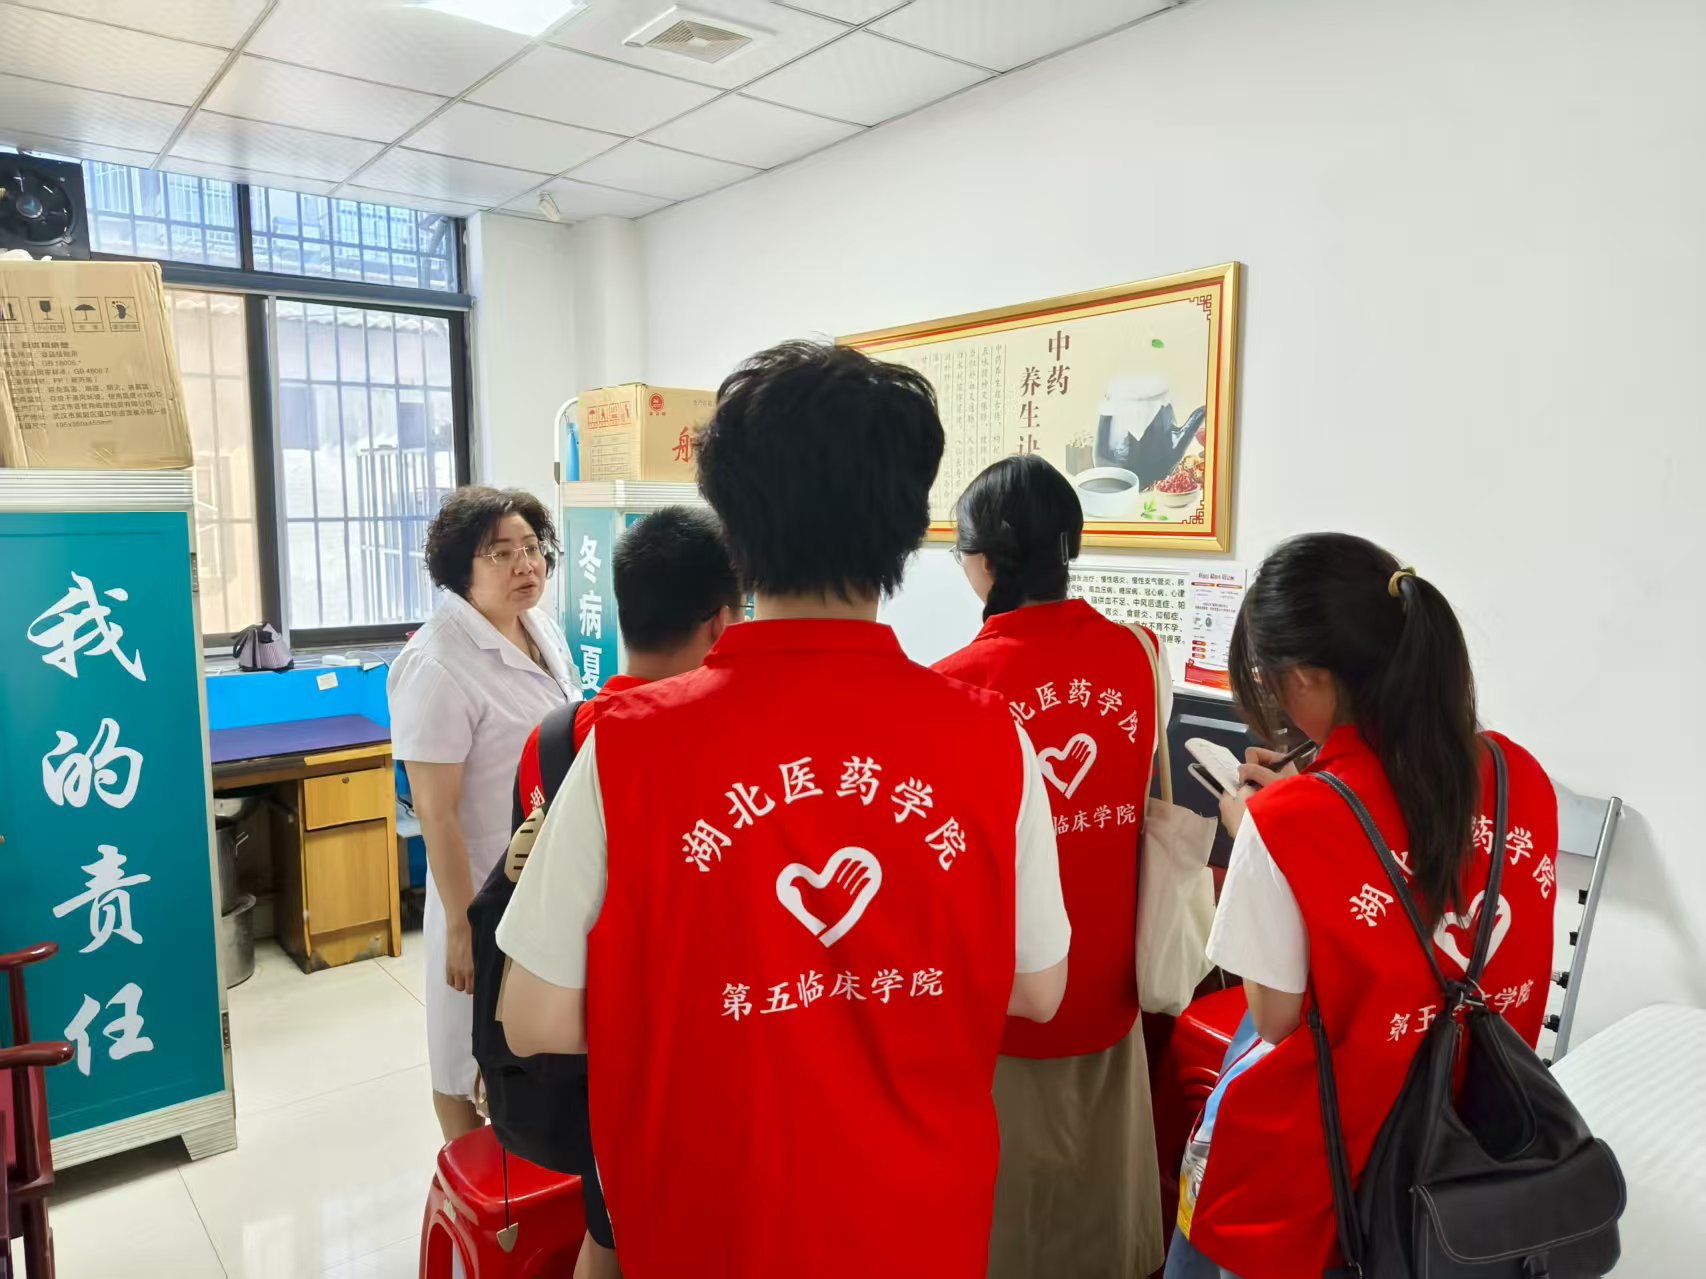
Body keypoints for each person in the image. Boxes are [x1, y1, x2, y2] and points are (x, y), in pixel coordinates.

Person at [496, 341, 1071, 1279]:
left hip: (709, 1220)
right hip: (918, 1222)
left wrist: (717, 1003)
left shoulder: (630, 743)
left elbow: (533, 1017)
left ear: (734, 527)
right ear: (907, 527)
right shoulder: (991, 737)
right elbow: (1037, 989)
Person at [1164, 534, 1559, 1279]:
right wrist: (1304, 808)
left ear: (1308, 676)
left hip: (1334, 1173)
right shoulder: (1519, 775)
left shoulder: (1284, 826)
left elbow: (1276, 1020)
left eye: (1269, 680)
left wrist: (1259, 836)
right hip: (1479, 1138)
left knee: (1204, 1207)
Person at [933, 453, 1168, 1279]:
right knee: (1103, 1211)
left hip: (1008, 996)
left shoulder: (953, 689)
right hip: (1113, 983)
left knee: (1011, 1225)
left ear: (983, 561)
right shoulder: (1139, 654)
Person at [507, 504, 743, 1279]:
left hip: (564, 1045)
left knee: (607, 1230)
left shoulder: (553, 737)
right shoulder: (697, 748)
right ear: (721, 622)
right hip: (666, 1066)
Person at [389, 485, 578, 1142]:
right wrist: (462, 926)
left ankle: (521, 1177)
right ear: (459, 569)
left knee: (524, 1050)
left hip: (542, 882)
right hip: (478, 892)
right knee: (461, 1058)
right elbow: (435, 813)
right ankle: (466, 1182)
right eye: (501, 553)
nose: (526, 564)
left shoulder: (539, 628)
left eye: (531, 547)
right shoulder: (435, 663)